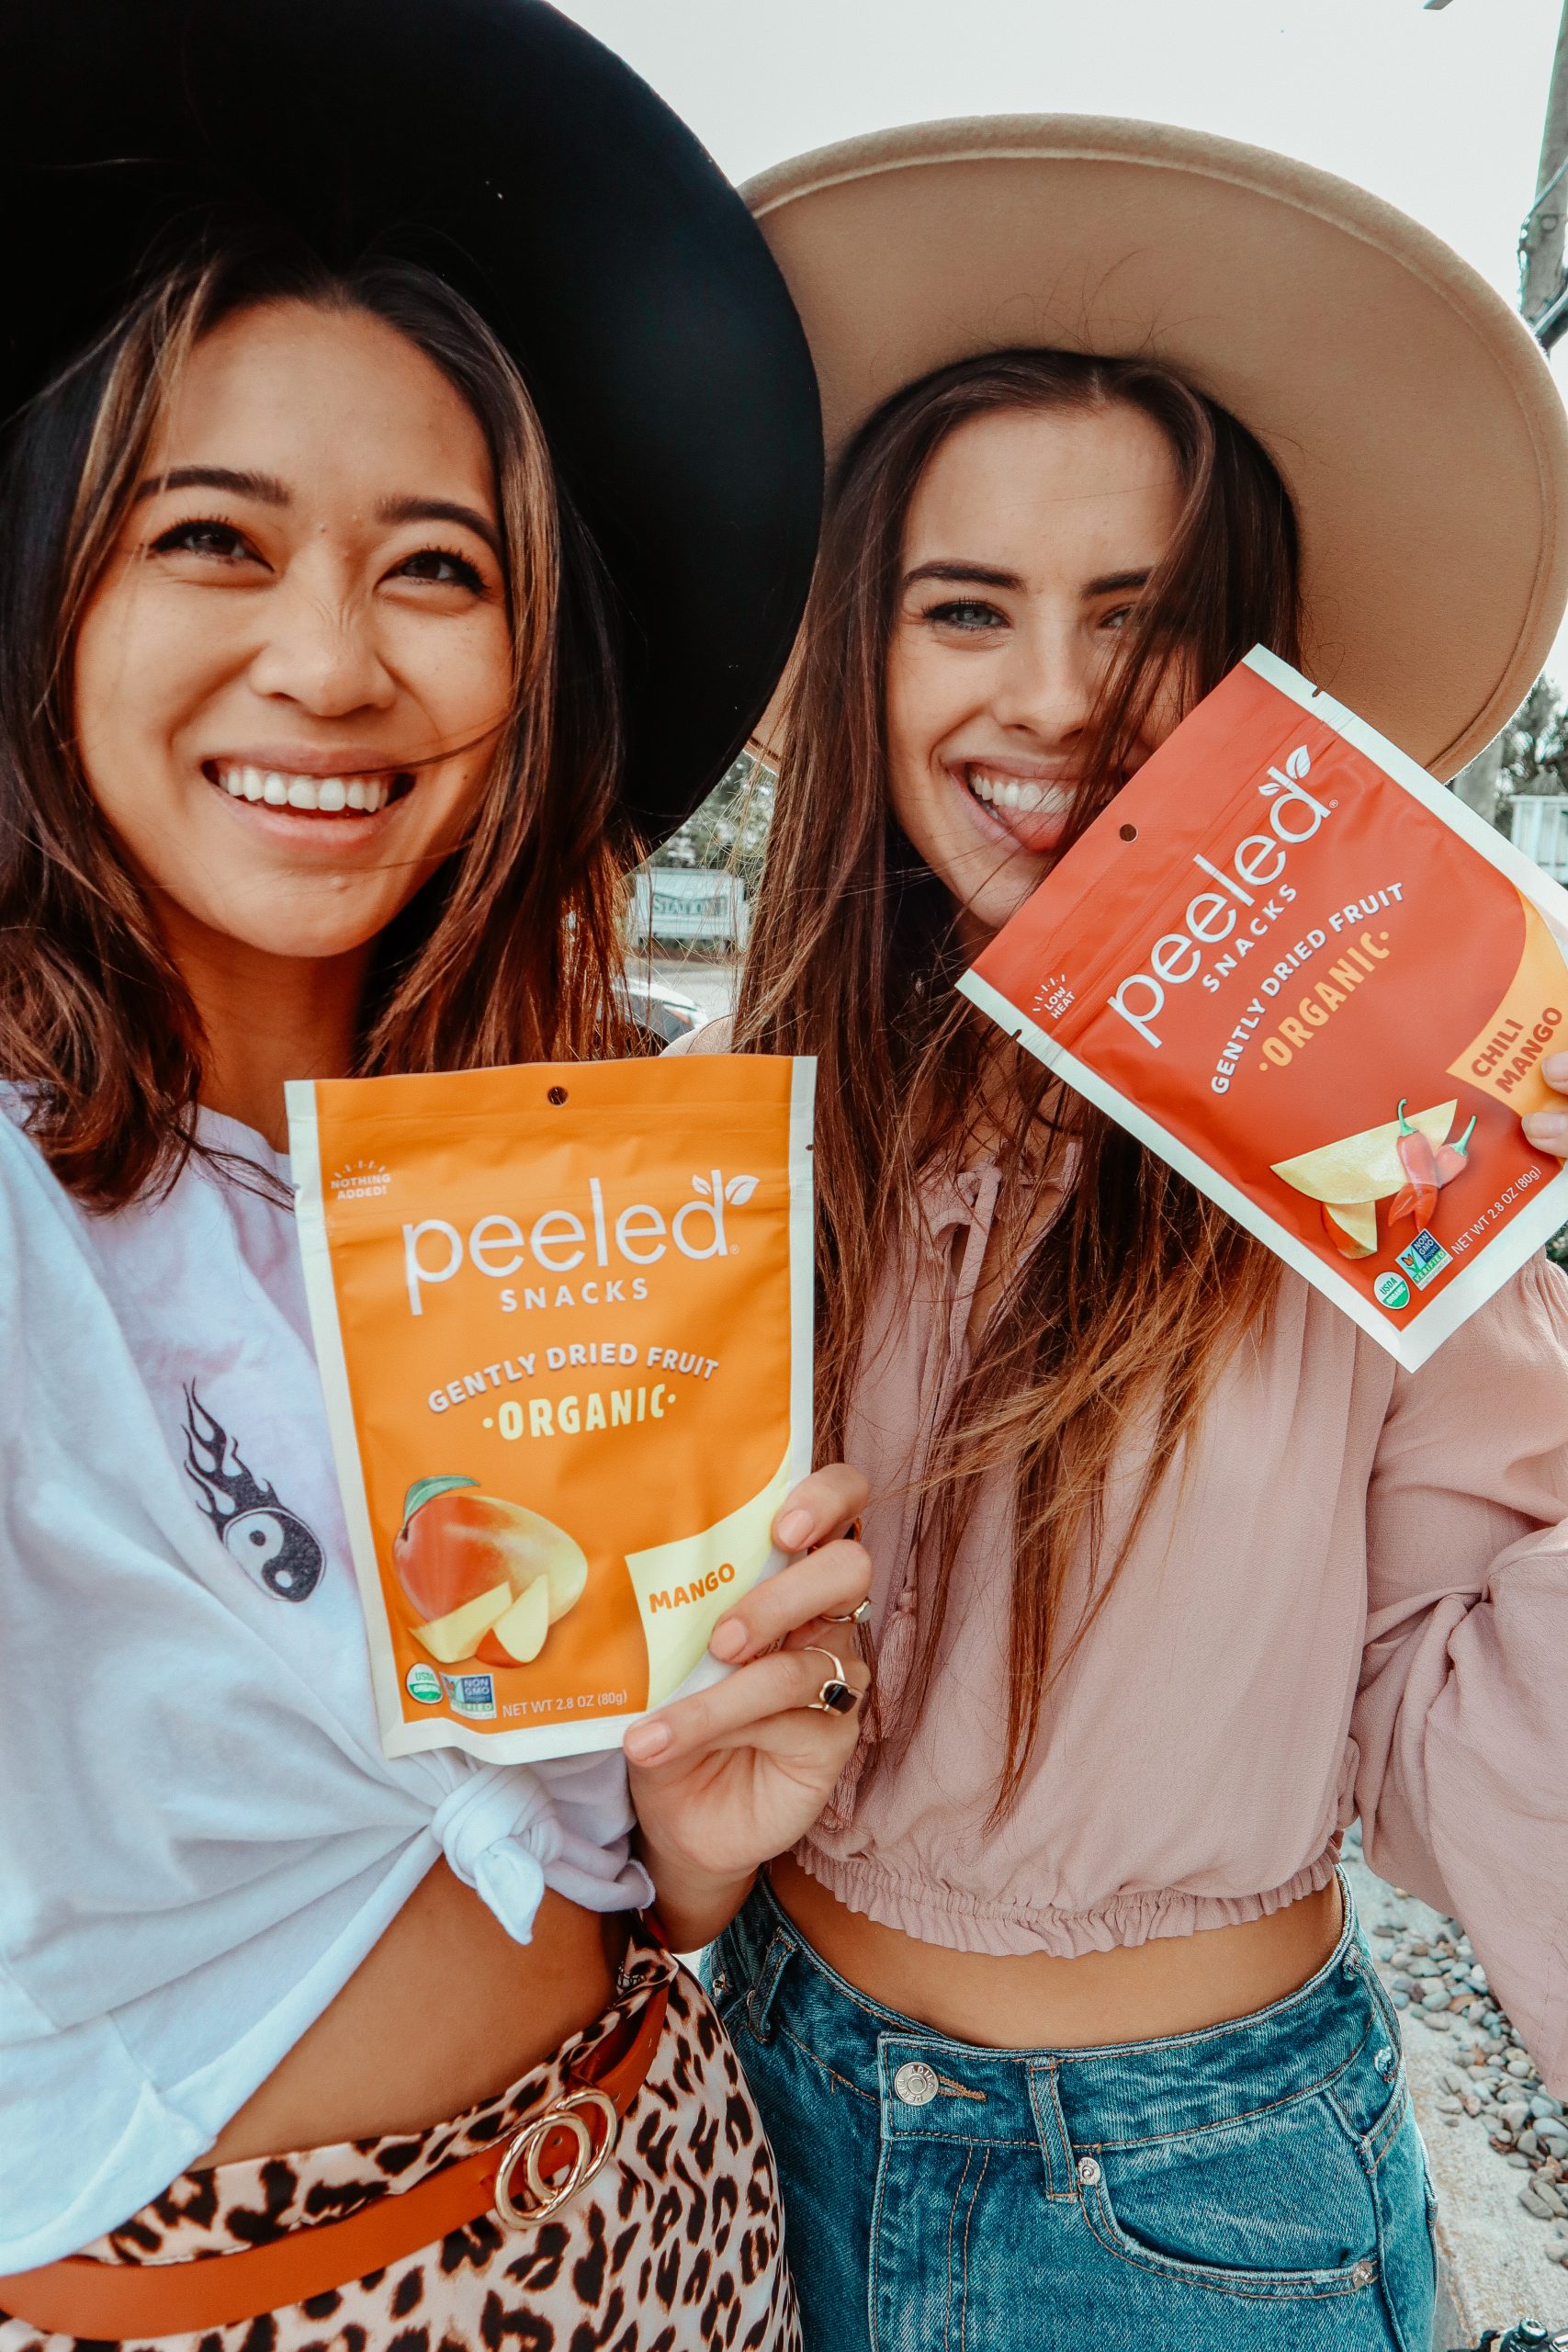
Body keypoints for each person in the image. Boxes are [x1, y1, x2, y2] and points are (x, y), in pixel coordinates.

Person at [0, 8, 871, 2347]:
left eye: (434, 569)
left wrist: (694, 1835)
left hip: (672, 2207)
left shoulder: (574, 1185)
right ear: (44, 601)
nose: (326, 660)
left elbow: (579, 1844)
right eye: (212, 539)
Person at [679, 119, 1568, 2347]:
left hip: (1191, 2197)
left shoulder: (1361, 1154)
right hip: (743, 2120)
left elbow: (1467, 1695)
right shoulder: (720, 1125)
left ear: (1253, 682)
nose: (1055, 699)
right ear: (859, 656)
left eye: (1145, 623)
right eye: (964, 607)